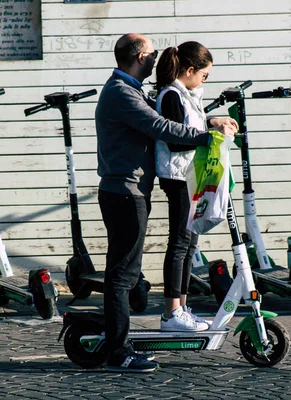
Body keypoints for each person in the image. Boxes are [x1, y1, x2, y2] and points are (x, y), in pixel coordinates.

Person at [95, 33, 238, 373]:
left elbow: (176, 112)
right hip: (124, 192)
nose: (158, 58)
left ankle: (118, 342)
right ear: (140, 56)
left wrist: (211, 119)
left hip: (130, 191)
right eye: (153, 53)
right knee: (122, 275)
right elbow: (161, 126)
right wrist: (208, 136)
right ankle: (118, 351)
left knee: (126, 272)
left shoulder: (132, 90)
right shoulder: (121, 93)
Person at [153, 41, 236, 331]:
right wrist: (208, 133)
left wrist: (212, 122)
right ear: (190, 70)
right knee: (179, 243)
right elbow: (176, 139)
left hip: (190, 176)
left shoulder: (186, 94)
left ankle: (182, 308)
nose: (205, 80)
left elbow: (193, 123)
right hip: (177, 178)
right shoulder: (171, 95)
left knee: (190, 245)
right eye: (205, 75)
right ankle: (170, 312)